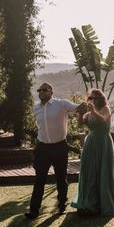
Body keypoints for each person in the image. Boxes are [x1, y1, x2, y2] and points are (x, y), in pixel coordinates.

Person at [25, 83, 86, 219]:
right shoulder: (36, 108)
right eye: (39, 90)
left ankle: (62, 206)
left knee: (60, 178)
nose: (41, 92)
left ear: (51, 91)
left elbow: (78, 109)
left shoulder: (62, 104)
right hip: (42, 148)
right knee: (39, 179)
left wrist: (85, 104)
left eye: (44, 90)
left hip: (59, 147)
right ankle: (34, 210)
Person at [71, 89, 114, 216]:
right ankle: (89, 204)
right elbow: (80, 124)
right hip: (91, 143)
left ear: (101, 98)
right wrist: (80, 113)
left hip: (104, 143)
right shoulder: (88, 113)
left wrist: (93, 111)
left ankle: (103, 203)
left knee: (103, 171)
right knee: (90, 172)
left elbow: (104, 120)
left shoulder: (106, 109)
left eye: (95, 97)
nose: (92, 100)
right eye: (90, 98)